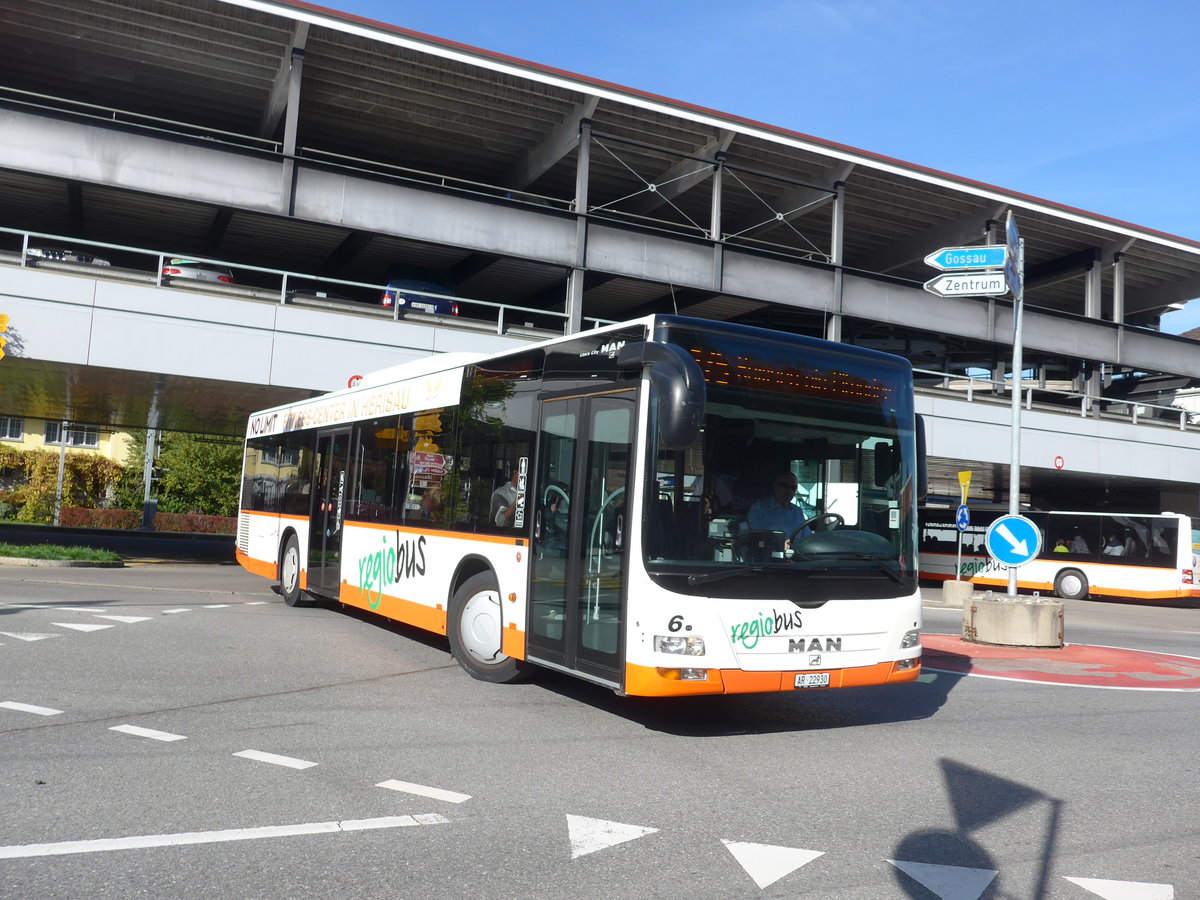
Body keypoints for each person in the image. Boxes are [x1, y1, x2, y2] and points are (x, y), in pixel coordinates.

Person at [747, 472, 813, 548]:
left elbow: (808, 537)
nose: (789, 491)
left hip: (797, 555)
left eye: (793, 488)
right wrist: (779, 545)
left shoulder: (797, 511)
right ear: (775, 486)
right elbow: (756, 539)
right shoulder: (758, 509)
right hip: (768, 556)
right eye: (785, 486)